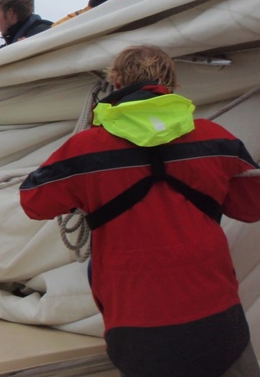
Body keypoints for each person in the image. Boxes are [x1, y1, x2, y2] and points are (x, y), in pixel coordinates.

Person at [19, 45, 260, 377]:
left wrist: (89, 188)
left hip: (137, 327)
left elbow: (34, 202)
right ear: (170, 83)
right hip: (218, 319)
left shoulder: (84, 151)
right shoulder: (216, 140)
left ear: (117, 81)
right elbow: (251, 206)